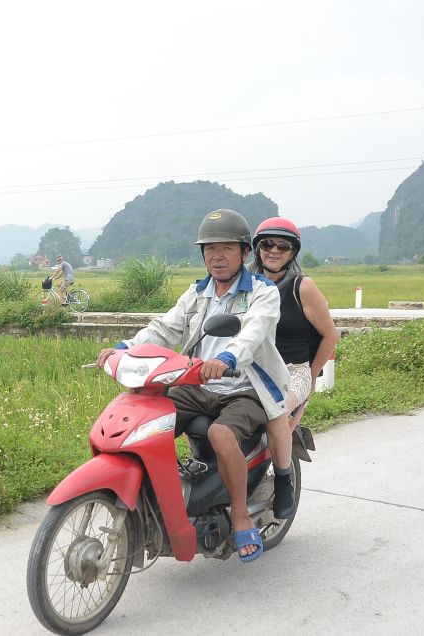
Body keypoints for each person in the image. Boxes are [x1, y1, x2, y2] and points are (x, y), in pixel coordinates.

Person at [95, 208, 292, 562]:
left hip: (246, 386)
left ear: (245, 253)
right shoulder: (198, 292)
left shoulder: (263, 293)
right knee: (147, 416)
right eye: (209, 249)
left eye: (227, 248)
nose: (217, 256)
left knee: (221, 435)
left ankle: (241, 515)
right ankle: (164, 497)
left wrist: (228, 359)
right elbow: (165, 327)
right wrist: (126, 348)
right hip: (197, 382)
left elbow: (253, 332)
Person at [250, 218, 339, 411]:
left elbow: (330, 334)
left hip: (294, 372)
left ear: (292, 253)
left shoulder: (302, 287)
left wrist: (312, 376)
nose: (273, 250)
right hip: (252, 369)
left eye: (282, 247)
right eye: (267, 244)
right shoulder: (247, 285)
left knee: (276, 413)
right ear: (258, 249)